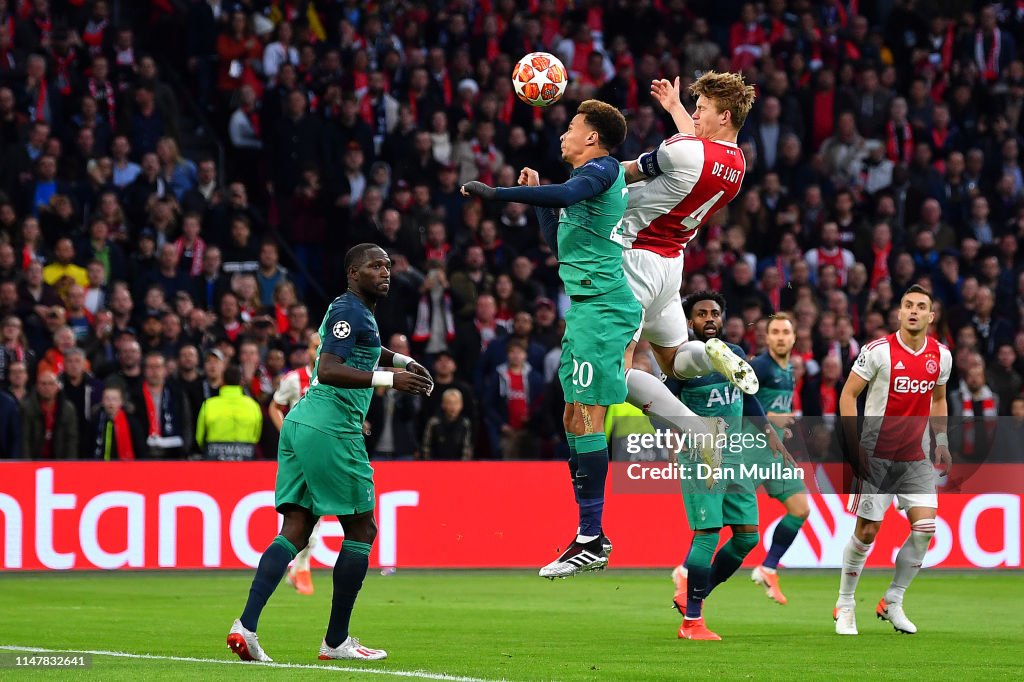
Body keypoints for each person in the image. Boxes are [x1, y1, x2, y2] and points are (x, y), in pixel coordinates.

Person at [227, 244, 433, 663]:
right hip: (331, 425)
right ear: (353, 273)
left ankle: (245, 627)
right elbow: (329, 368)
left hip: (303, 423)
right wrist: (391, 380)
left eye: (389, 266)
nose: (386, 272)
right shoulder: (350, 310)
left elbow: (365, 349)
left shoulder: (356, 312)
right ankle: (336, 641)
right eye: (375, 266)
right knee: (361, 530)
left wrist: (403, 360)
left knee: (297, 527)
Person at [462, 99, 640, 578]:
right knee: (571, 414)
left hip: (603, 310)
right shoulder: (583, 187)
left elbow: (563, 197)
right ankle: (590, 532)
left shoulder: (602, 170)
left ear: (592, 138)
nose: (563, 134)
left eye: (571, 127)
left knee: (587, 415)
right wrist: (539, 193)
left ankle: (589, 537)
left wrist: (498, 195)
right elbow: (556, 234)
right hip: (586, 312)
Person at [616, 73, 761, 463]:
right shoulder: (738, 164)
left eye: (702, 109)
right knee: (675, 361)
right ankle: (709, 353)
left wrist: (578, 177)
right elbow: (697, 155)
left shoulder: (684, 149)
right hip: (670, 264)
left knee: (616, 372)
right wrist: (677, 107)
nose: (694, 114)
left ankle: (697, 428)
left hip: (635, 257)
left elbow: (624, 172)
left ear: (725, 115)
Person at [668, 292, 788, 640]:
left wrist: (770, 435)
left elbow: (749, 398)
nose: (709, 318)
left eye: (715, 313)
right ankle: (692, 622)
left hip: (734, 454)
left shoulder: (733, 354)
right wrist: (672, 438)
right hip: (700, 455)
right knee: (708, 533)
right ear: (689, 322)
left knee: (747, 536)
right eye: (701, 313)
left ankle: (694, 595)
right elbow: (660, 406)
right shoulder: (680, 362)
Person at [835, 284, 952, 636]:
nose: (913, 311)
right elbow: (848, 395)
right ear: (899, 313)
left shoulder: (942, 356)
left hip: (914, 455)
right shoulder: (877, 352)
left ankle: (893, 600)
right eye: (907, 305)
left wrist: (942, 439)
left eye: (921, 307)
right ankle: (845, 603)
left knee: (925, 529)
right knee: (868, 531)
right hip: (875, 454)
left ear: (931, 316)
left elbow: (938, 398)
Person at [746, 313, 810, 605]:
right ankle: (686, 570)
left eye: (786, 331)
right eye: (775, 332)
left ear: (794, 338)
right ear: (767, 337)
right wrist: (771, 418)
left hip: (773, 453)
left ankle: (768, 567)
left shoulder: (789, 371)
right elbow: (737, 401)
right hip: (748, 449)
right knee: (724, 521)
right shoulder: (759, 366)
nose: (781, 336)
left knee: (800, 508)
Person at [268, 332, 320, 596]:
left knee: (317, 513)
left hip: (323, 455)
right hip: (298, 457)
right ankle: (299, 567)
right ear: (307, 351)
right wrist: (286, 434)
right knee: (300, 513)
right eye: (313, 346)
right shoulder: (294, 379)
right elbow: (275, 407)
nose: (318, 350)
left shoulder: (335, 379)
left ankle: (300, 566)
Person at [196, 365, 262, 460]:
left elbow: (200, 437)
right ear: (241, 382)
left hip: (214, 461)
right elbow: (256, 436)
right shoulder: (253, 405)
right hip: (245, 460)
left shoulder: (209, 405)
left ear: (222, 381)